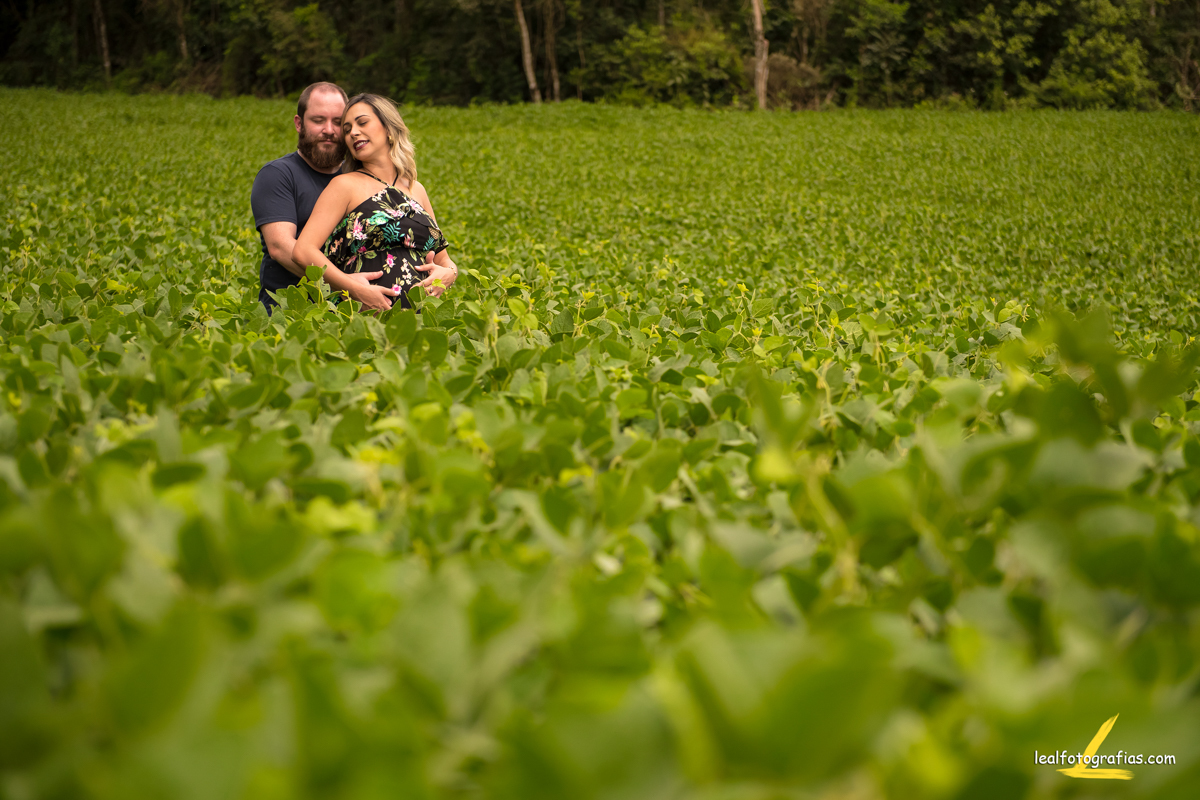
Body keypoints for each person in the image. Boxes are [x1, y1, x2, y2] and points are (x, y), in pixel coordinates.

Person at [292, 93, 458, 311]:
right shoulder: (344, 185)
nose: (353, 133)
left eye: (362, 123)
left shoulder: (416, 189)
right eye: (347, 130)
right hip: (364, 316)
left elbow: (443, 259)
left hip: (422, 315)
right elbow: (303, 251)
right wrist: (353, 289)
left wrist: (450, 273)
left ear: (389, 128)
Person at [250, 82, 388, 311]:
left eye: (338, 122)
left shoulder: (362, 177)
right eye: (318, 120)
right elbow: (281, 247)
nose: (329, 130)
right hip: (290, 314)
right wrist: (347, 286)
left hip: (355, 313)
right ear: (299, 123)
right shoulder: (278, 175)